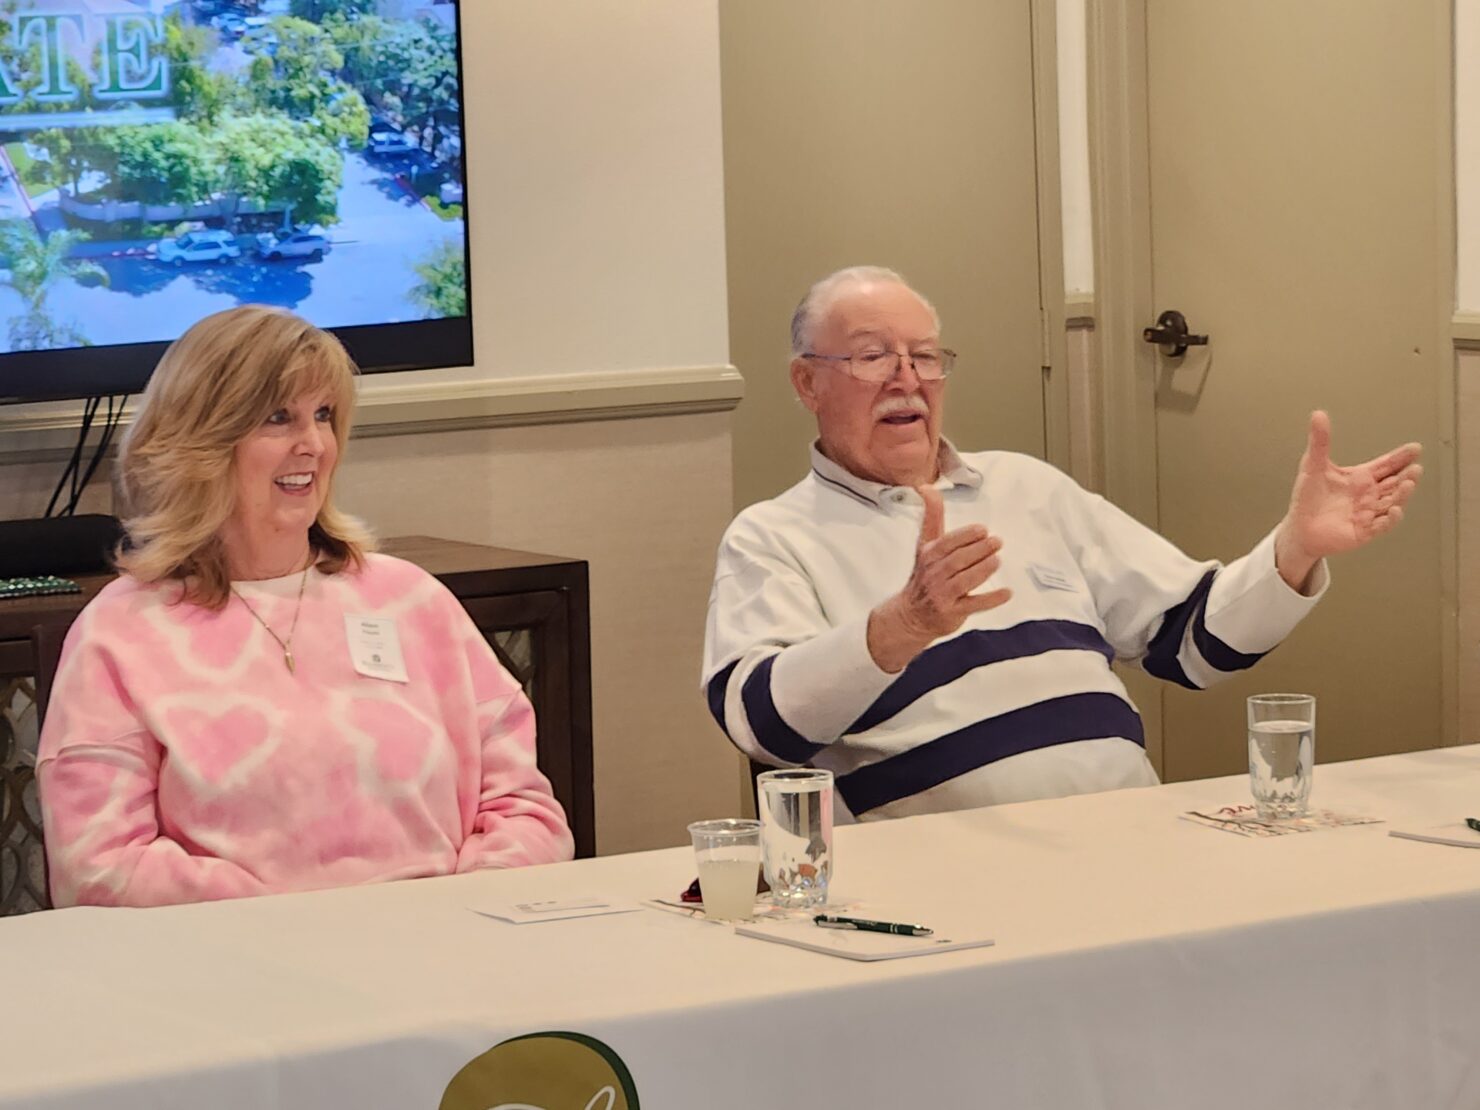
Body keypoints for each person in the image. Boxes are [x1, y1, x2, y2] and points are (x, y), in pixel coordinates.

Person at [702, 266, 1422, 822]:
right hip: (940, 879)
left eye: (924, 356)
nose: (908, 378)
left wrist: (1293, 548)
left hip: (1136, 834)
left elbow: (1193, 643)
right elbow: (762, 726)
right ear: (807, 383)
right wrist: (902, 626)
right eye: (871, 357)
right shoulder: (774, 536)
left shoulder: (1026, 487)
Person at [38, 306, 573, 908]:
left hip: (440, 952)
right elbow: (99, 866)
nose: (314, 444)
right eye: (278, 418)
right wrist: (294, 928)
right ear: (202, 441)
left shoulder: (410, 600)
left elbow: (525, 813)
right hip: (232, 972)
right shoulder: (122, 632)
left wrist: (449, 916)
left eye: (324, 415)